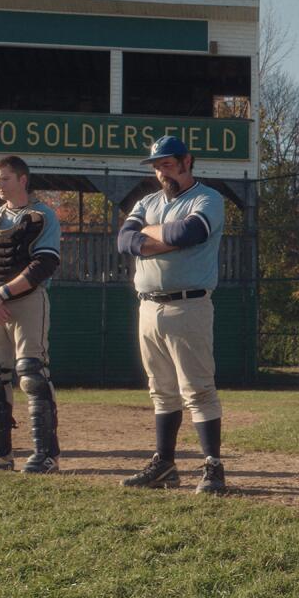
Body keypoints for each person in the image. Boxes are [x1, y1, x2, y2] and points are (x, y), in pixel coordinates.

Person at [116, 136, 228, 494]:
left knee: (198, 389)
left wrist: (149, 235)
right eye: (157, 165)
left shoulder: (207, 198)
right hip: (148, 305)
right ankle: (165, 464)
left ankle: (213, 468)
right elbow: (124, 240)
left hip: (188, 304)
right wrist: (164, 238)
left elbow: (189, 231)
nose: (161, 171)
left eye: (167, 164)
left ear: (186, 161)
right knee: (161, 390)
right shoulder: (146, 201)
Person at [0, 155, 64, 474]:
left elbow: (44, 264)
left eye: (4, 178)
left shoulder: (42, 216)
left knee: (32, 374)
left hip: (26, 300)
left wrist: (2, 294)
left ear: (22, 179)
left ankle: (46, 455)